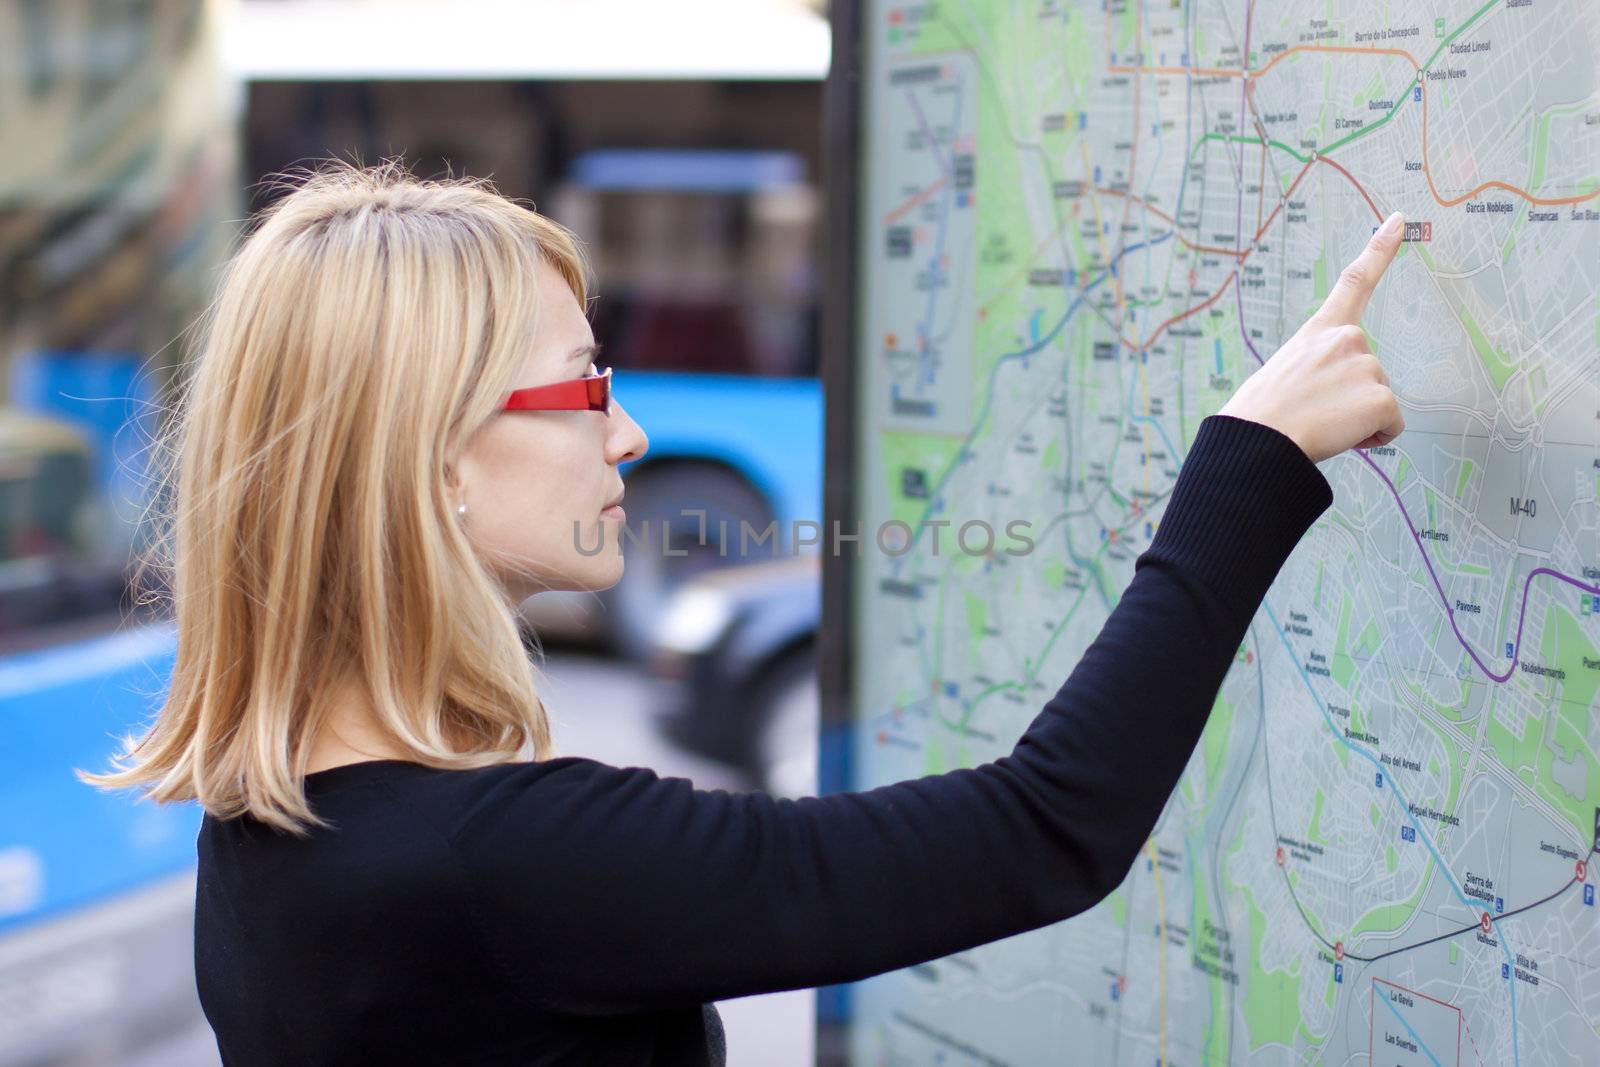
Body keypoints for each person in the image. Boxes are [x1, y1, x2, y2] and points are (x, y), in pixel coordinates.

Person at [80, 161, 1406, 1066]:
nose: (633, 430)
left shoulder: (268, 820)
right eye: (585, 387)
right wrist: (1251, 455)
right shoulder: (500, 862)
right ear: (432, 457)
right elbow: (1045, 829)